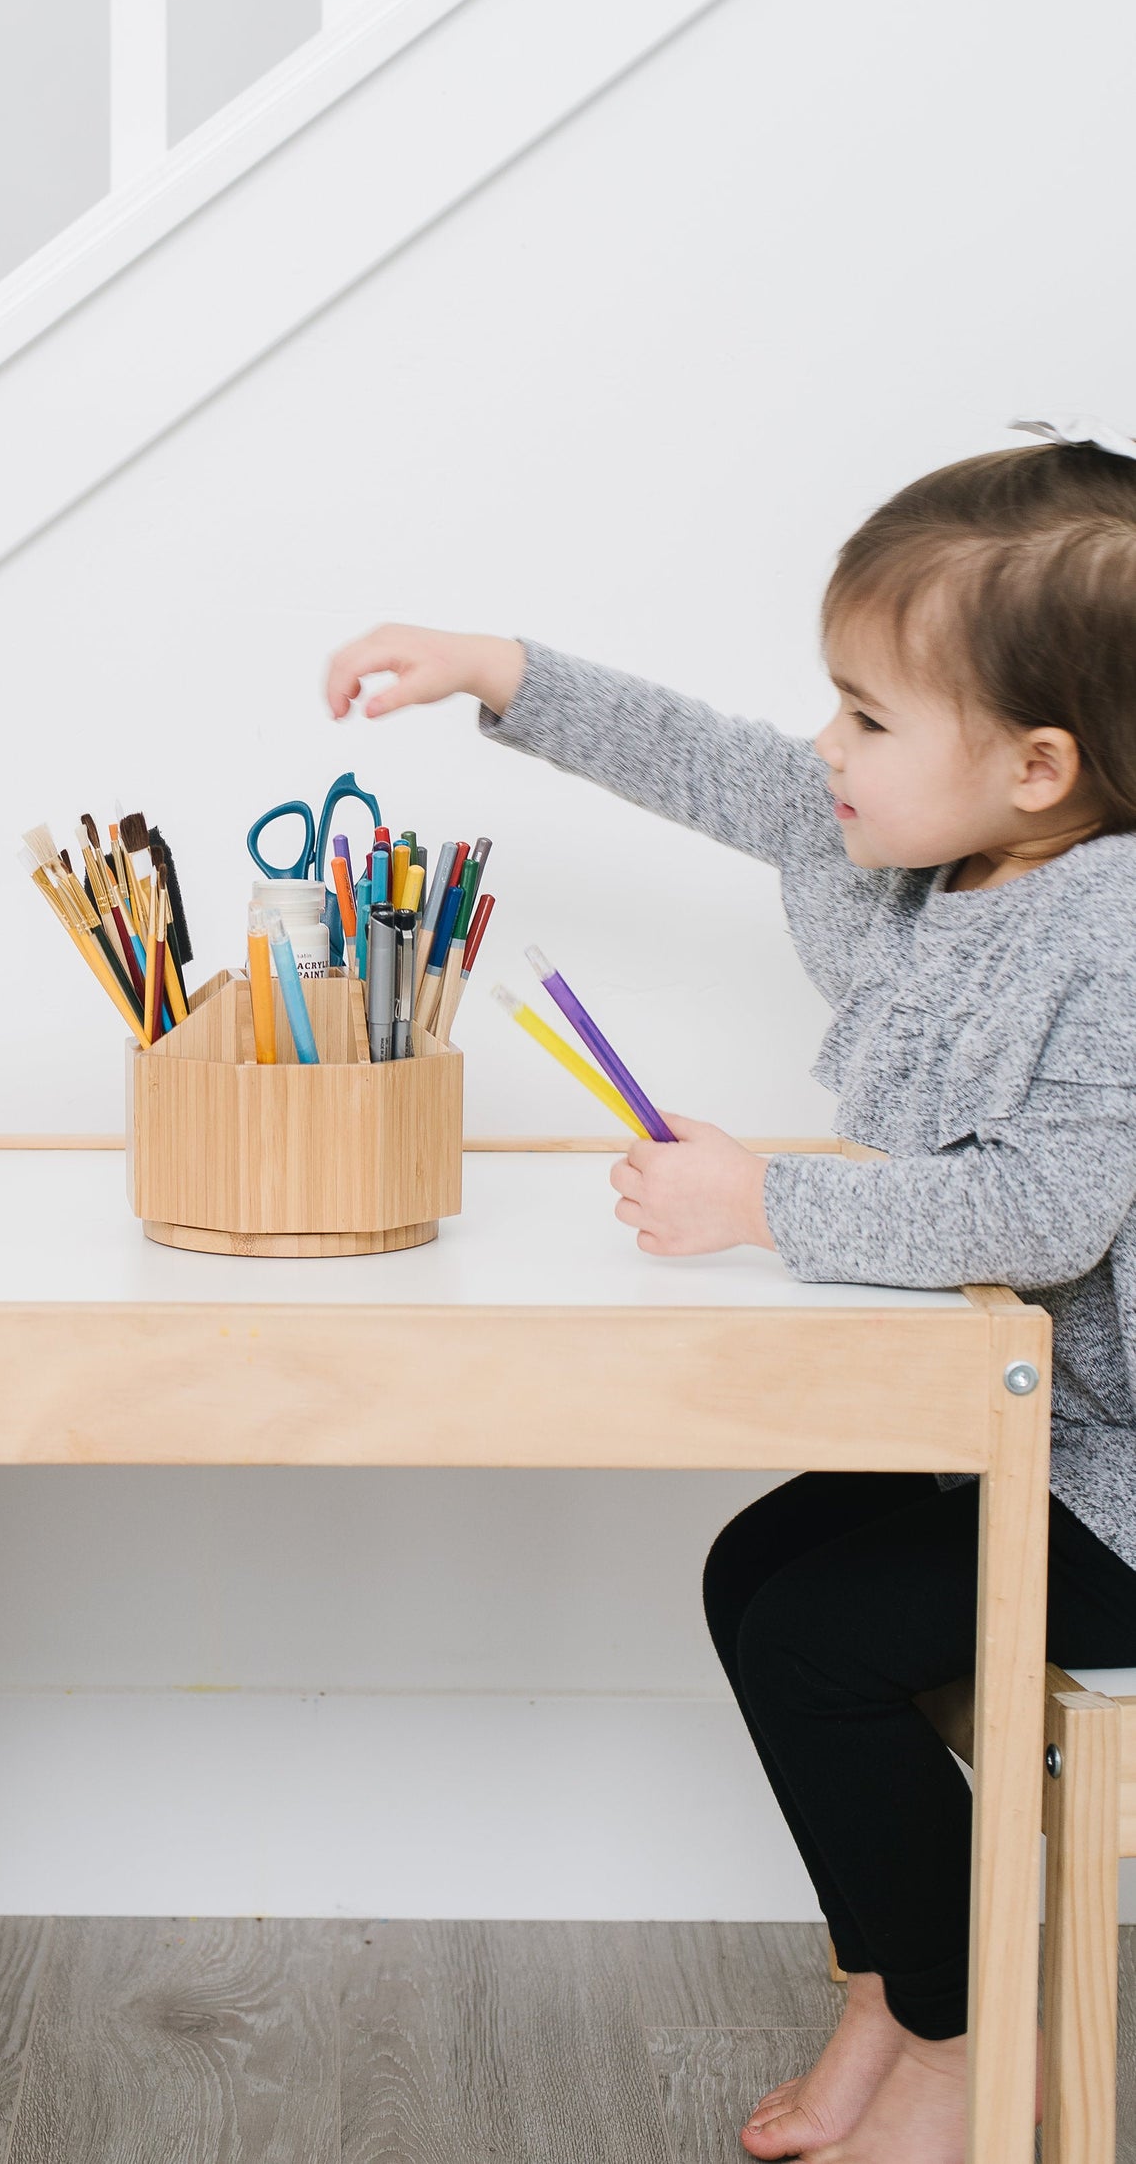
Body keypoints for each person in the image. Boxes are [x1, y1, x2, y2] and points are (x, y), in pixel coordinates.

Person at [325, 425, 1136, 2164]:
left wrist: (762, 1198)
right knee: (758, 1567)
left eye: (865, 716)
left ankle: (958, 2035)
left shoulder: (1111, 930)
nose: (823, 752)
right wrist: (503, 673)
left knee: (815, 1640)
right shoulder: (931, 846)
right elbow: (727, 772)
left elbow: (1052, 1212)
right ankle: (896, 1988)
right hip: (1019, 1430)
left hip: (1122, 1490)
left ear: (1041, 768)